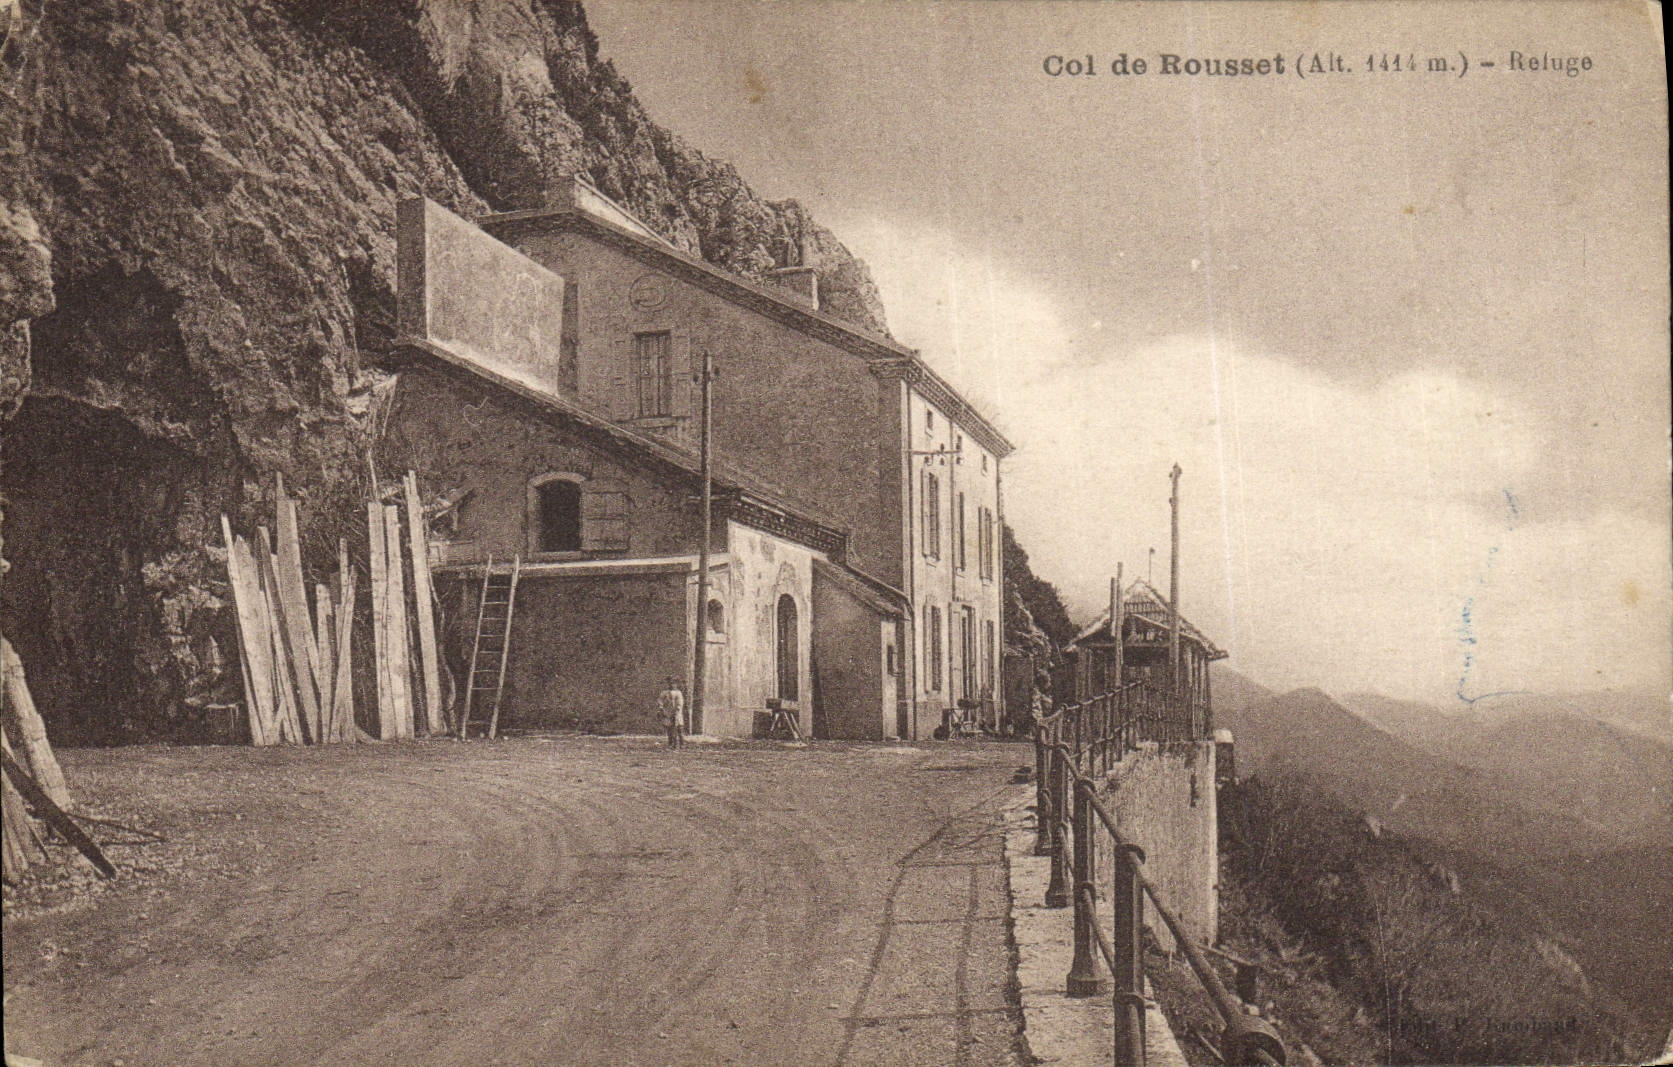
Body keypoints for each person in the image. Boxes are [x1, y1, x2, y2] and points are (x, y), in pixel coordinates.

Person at [657, 678, 686, 749]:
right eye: (670, 683)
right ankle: (672, 744)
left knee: (679, 729)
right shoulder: (664, 693)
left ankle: (682, 744)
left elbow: (680, 703)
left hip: (677, 714)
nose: (672, 685)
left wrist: (677, 711)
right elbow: (660, 700)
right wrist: (661, 708)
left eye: (673, 683)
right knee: (670, 730)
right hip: (667, 713)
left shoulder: (678, 693)